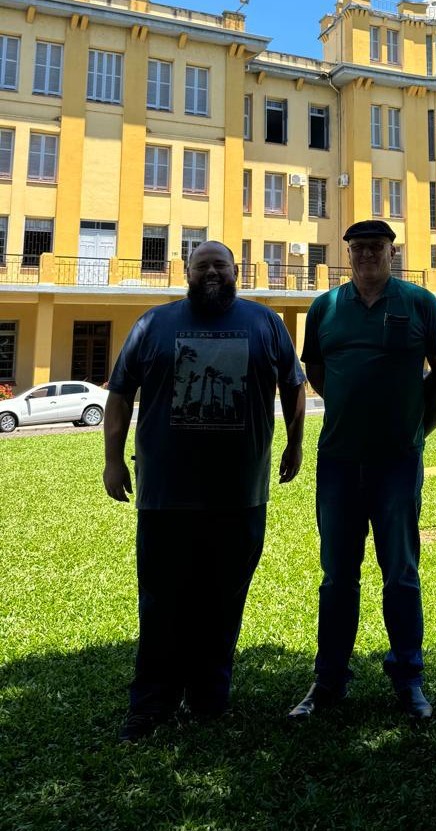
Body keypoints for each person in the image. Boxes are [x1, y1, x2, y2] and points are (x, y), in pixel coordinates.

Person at [103, 240, 306, 743]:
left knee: (223, 600)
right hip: (165, 496)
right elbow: (121, 392)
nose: (211, 272)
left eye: (220, 265)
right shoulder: (153, 323)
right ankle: (150, 705)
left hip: (240, 495)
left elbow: (294, 384)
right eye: (202, 266)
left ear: (236, 271)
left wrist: (296, 446)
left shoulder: (265, 323)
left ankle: (209, 697)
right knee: (161, 602)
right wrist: (111, 460)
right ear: (186, 273)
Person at [289, 219, 436, 724]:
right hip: (338, 460)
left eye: (375, 248)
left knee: (401, 573)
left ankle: (409, 679)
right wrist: (346, 402)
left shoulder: (419, 303)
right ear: (349, 255)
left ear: (391, 252)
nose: (366, 256)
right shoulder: (326, 308)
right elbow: (313, 368)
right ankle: (330, 680)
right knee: (337, 575)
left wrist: (416, 429)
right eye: (358, 248)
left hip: (398, 464)